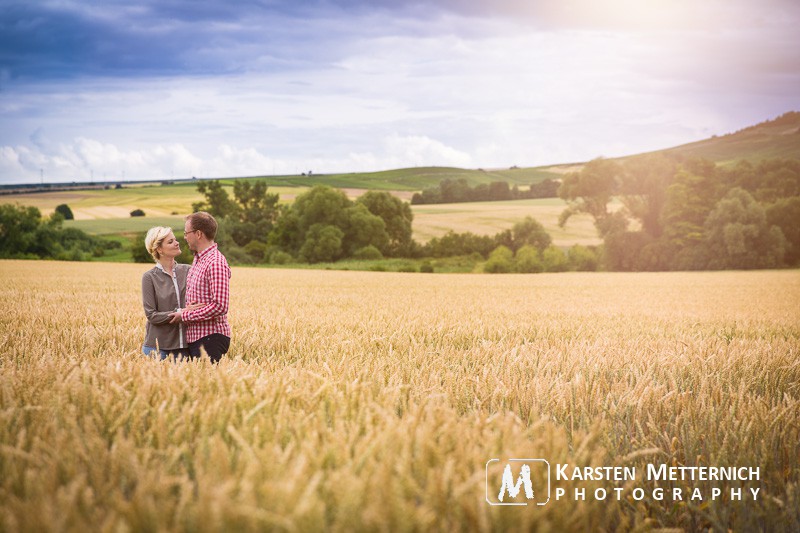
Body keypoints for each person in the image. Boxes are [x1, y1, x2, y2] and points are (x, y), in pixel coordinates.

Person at [169, 211, 231, 363]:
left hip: (210, 337)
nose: (184, 237)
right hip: (197, 337)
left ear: (198, 234)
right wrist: (187, 310)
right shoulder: (198, 260)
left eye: (186, 233)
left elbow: (220, 306)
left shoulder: (215, 262)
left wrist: (185, 316)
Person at [141, 226, 193, 360]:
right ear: (159, 249)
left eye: (175, 240)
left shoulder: (189, 270)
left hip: (185, 347)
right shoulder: (149, 277)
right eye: (170, 242)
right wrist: (180, 313)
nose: (177, 243)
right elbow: (151, 315)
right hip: (157, 348)